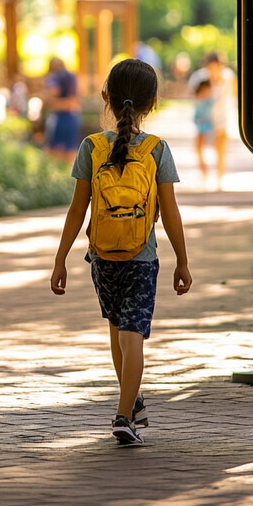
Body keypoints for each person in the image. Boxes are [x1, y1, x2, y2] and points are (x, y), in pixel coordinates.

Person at [50, 58, 192, 446]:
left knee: (118, 333)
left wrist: (60, 259)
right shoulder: (156, 150)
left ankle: (132, 403)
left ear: (105, 98)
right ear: (154, 102)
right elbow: (172, 212)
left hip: (101, 257)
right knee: (133, 337)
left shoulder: (91, 146)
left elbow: (77, 210)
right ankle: (124, 415)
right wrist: (182, 260)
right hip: (141, 258)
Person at [188, 51, 235, 189]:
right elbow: (192, 95)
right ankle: (204, 175)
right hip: (204, 118)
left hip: (221, 118)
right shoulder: (198, 77)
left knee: (220, 148)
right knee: (200, 147)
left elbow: (230, 97)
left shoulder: (227, 77)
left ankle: (220, 177)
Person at [43, 57, 81, 163]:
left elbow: (53, 92)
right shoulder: (71, 76)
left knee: (53, 152)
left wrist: (49, 102)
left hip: (61, 118)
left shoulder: (54, 77)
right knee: (70, 150)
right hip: (72, 117)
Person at [192, 78, 214, 183]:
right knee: (198, 149)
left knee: (200, 148)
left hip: (205, 128)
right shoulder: (200, 101)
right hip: (201, 127)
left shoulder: (209, 102)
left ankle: (206, 172)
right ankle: (203, 172)